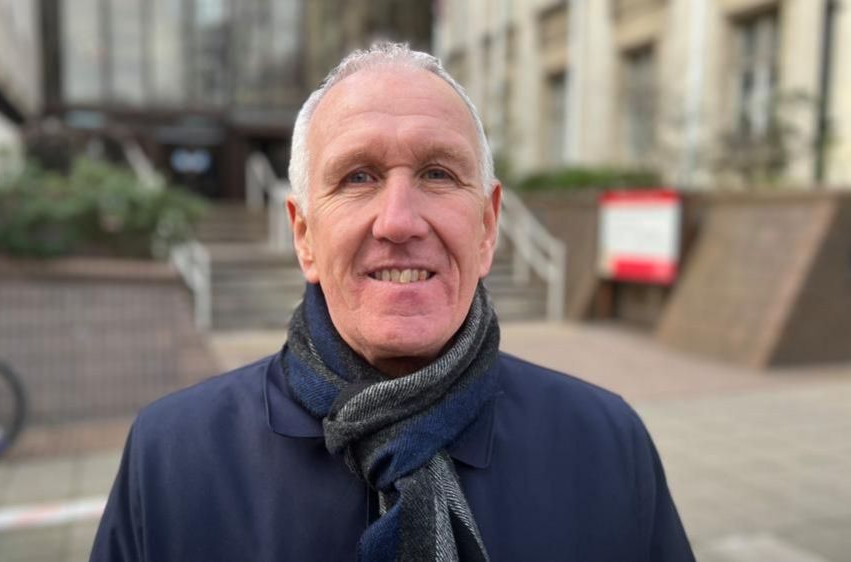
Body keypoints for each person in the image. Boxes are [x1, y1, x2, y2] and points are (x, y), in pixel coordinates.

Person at [90, 42, 694, 562]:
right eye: (358, 177)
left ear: (487, 229)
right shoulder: (171, 459)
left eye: (437, 174)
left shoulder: (608, 445)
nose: (399, 221)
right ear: (304, 235)